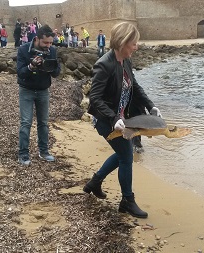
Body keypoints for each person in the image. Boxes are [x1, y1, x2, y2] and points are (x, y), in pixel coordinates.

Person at [84, 22, 162, 219]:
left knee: (122, 154)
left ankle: (95, 182)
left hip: (121, 118)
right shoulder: (104, 64)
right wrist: (113, 118)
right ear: (123, 42)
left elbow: (134, 86)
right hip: (105, 120)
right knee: (126, 156)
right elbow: (95, 98)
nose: (136, 47)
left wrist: (151, 105)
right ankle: (127, 201)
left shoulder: (126, 61)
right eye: (133, 43)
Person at [16, 25, 61, 166]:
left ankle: (44, 151)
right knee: (26, 123)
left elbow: (57, 73)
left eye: (50, 43)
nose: (48, 46)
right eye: (45, 43)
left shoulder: (52, 51)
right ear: (37, 39)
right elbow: (20, 73)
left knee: (43, 123)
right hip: (26, 90)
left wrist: (50, 67)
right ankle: (23, 154)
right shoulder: (24, 50)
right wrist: (32, 66)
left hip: (43, 91)